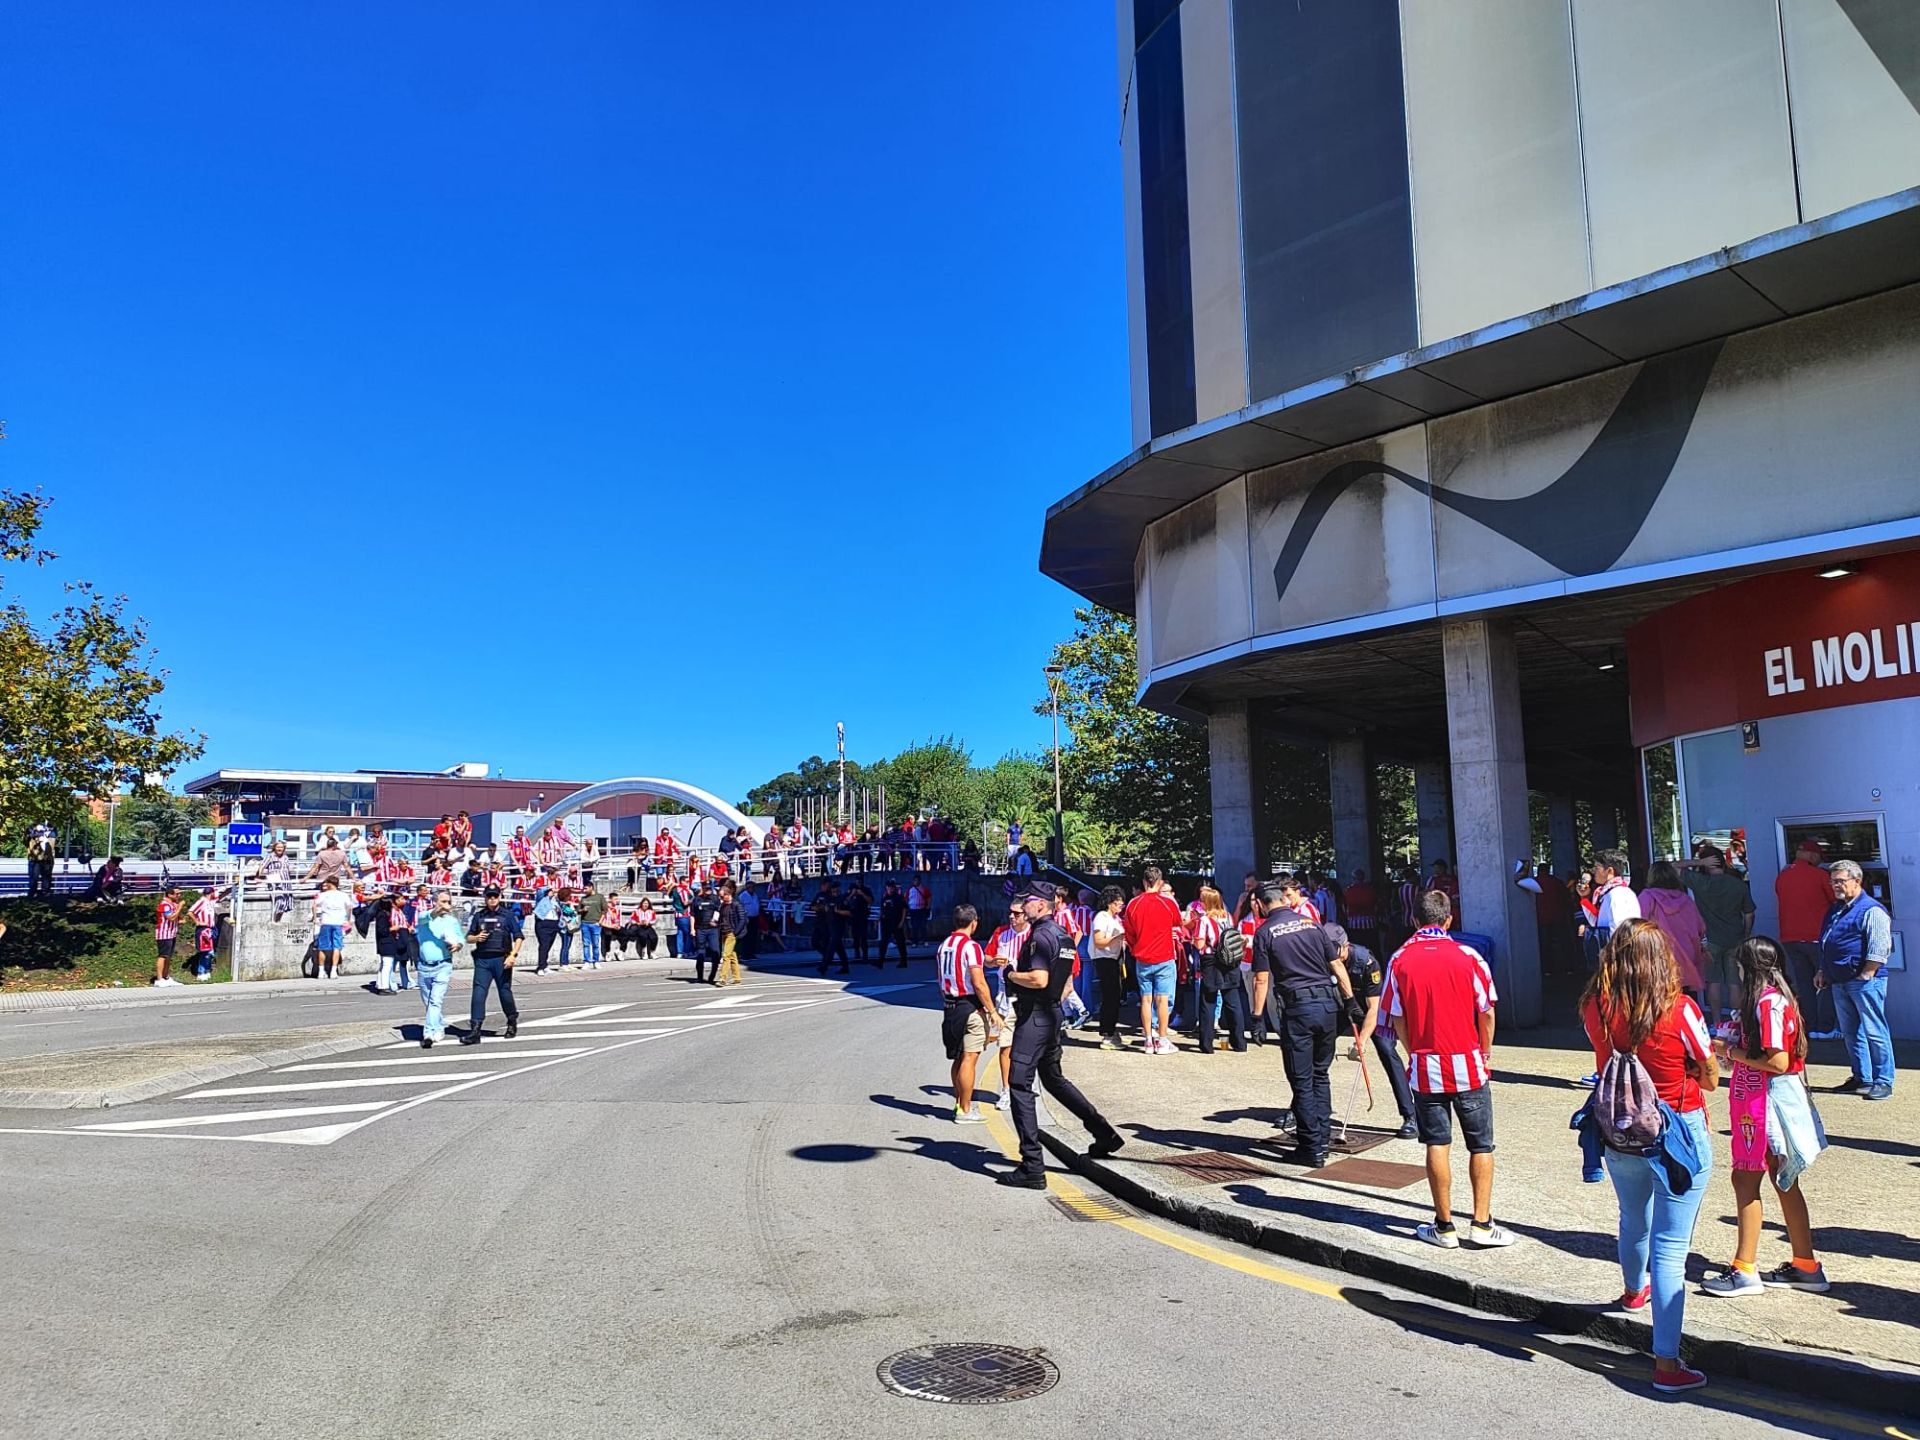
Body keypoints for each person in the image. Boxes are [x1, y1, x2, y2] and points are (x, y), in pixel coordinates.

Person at [1580, 918, 1716, 1394]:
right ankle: (1666, 1363)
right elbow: (1709, 1072)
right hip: (1677, 1125)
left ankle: (1633, 1292)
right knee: (1671, 1247)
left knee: (1631, 1216)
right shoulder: (1680, 1009)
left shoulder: (1594, 1005)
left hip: (1617, 1129)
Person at [1700, 936, 1830, 1298]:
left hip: (1766, 1100)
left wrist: (1732, 1051)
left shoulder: (1767, 1003)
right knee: (1781, 1179)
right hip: (1768, 1096)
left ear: (1747, 968)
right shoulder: (1778, 998)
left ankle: (1745, 1268)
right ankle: (1805, 1264)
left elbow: (1777, 1061)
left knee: (1747, 1178)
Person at [1384, 893, 1510, 1240]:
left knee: (1437, 1143)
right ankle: (1482, 1224)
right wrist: (1485, 1052)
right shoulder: (1469, 956)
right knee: (1481, 1145)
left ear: (1414, 921)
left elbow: (1397, 1018)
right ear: (1449, 920)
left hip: (1427, 1067)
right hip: (1468, 1063)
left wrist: (1414, 1052)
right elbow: (1486, 1011)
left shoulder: (1400, 960)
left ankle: (1444, 1226)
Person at [997, 882, 1125, 1189]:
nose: (1023, 905)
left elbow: (1039, 978)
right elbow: (1067, 982)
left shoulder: (1039, 936)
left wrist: (1010, 975)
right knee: (1054, 1079)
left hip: (1036, 1016)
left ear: (1041, 905)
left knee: (1018, 1084)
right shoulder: (1064, 936)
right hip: (1053, 1014)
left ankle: (1032, 1165)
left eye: (1028, 901)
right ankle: (1104, 1134)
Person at [1252, 880, 1354, 1167]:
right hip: (1327, 1006)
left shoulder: (1265, 932)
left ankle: (1311, 1147)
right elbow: (1336, 965)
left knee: (1302, 1079)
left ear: (1260, 904)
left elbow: (1261, 979)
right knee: (1320, 1074)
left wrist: (1257, 1017)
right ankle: (1322, 1137)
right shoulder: (1311, 924)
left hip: (1299, 1010)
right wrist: (1351, 1001)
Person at [1329, 922, 1415, 1139]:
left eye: (1334, 948)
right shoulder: (1325, 958)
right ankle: (1299, 1110)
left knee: (1387, 1052)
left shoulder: (1367, 962)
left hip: (1369, 1010)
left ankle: (1410, 1116)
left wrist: (1362, 1041)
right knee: (1316, 1052)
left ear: (1345, 945)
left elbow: (1374, 1008)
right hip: (1341, 1007)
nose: (1330, 954)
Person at [1818, 859, 1895, 1100]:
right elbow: (1827, 942)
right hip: (1840, 980)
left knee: (1874, 1031)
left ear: (1857, 881)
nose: (1835, 886)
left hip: (1864, 982)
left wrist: (1867, 973)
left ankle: (1883, 1080)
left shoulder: (1871, 909)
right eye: (1833, 882)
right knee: (1851, 1032)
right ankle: (1862, 1078)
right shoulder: (1836, 909)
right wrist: (1823, 970)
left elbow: (1880, 946)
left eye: (1840, 881)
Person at [1578, 849, 1642, 1086]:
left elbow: (1620, 932)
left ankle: (1610, 1070)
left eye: (1597, 867)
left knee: (1607, 1019)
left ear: (1610, 871)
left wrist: (1591, 933)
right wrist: (1585, 899)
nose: (1594, 872)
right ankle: (1608, 1068)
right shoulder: (1609, 894)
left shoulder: (1619, 895)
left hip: (1616, 967)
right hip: (1611, 965)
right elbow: (1600, 921)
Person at [938, 904, 1000, 1123]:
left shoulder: (945, 945)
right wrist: (992, 1011)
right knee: (970, 1058)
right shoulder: (971, 946)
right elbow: (979, 981)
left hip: (950, 1005)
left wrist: (990, 961)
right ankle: (965, 1109)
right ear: (974, 922)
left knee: (958, 1057)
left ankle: (959, 1102)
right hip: (969, 1005)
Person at [1775, 840, 1840, 1039]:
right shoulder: (1820, 875)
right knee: (1826, 980)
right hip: (1816, 937)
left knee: (1804, 984)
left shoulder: (1782, 876)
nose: (1820, 860)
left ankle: (1809, 1025)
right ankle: (1825, 1027)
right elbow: (1836, 900)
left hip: (1790, 938)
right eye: (1819, 856)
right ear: (1812, 855)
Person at [1683, 844, 1755, 1014]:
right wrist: (1746, 934)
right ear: (1723, 863)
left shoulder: (1700, 882)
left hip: (1711, 940)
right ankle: (1737, 1022)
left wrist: (1699, 862)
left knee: (1713, 982)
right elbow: (1749, 914)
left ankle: (1716, 1023)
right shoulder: (1738, 885)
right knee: (1735, 982)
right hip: (1735, 937)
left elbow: (1673, 867)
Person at [1123, 865, 1184, 1054]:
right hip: (1164, 956)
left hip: (1142, 957)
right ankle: (1163, 1039)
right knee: (1163, 1000)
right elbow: (1177, 922)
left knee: (1146, 1000)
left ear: (1144, 882)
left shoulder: (1133, 904)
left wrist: (1135, 948)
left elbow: (1129, 933)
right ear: (1160, 882)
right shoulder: (1168, 902)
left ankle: (1148, 1040)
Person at [1639, 861, 1709, 1002]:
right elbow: (1700, 927)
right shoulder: (1685, 899)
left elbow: (1638, 924)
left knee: (1663, 1000)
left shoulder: (1647, 897)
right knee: (1686, 998)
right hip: (1687, 955)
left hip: (1660, 955)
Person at [462, 885, 521, 1044]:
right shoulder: (479, 916)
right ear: (485, 897)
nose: (492, 899)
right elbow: (468, 937)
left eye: (495, 896)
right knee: (478, 993)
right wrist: (476, 938)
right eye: (489, 896)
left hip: (502, 959)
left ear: (500, 897)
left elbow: (518, 937)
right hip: (483, 959)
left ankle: (511, 1020)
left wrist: (513, 955)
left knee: (504, 993)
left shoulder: (507, 915)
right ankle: (475, 1030)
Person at [1197, 889, 1248, 1054]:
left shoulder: (1204, 919)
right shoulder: (1227, 917)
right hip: (1230, 960)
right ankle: (1239, 1042)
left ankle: (1206, 1044)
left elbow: (1199, 943)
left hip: (1211, 961)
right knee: (1233, 1001)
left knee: (1208, 1001)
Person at [414, 893, 464, 1048]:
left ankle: (428, 1033)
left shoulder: (452, 921)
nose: (446, 904)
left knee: (435, 1000)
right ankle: (439, 1025)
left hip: (443, 965)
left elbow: (460, 938)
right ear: (435, 902)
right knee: (428, 1002)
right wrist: (438, 910)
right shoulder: (424, 918)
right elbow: (425, 918)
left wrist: (457, 945)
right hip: (423, 966)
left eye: (448, 902)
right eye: (443, 901)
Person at [1089, 885, 1128, 1050]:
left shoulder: (1114, 919)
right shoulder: (1101, 917)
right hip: (1104, 959)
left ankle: (1111, 1031)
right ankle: (1107, 1033)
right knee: (1110, 997)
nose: (1121, 904)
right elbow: (1099, 941)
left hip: (1113, 959)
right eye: (1118, 901)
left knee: (1114, 996)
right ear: (1109, 902)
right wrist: (1118, 938)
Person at [311, 876, 352, 980]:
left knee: (323, 947)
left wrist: (315, 918)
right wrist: (348, 918)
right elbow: (350, 907)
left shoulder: (324, 894)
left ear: (329, 884)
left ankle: (321, 971)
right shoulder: (343, 895)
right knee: (337, 947)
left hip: (326, 922)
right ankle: (333, 971)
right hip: (338, 922)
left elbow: (314, 905)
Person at [152, 884, 184, 986]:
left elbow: (176, 918)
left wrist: (180, 919)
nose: (179, 895)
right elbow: (170, 917)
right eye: (177, 893)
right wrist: (180, 907)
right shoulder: (164, 905)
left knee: (168, 956)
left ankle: (166, 976)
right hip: (164, 934)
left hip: (172, 933)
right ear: (170, 894)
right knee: (163, 956)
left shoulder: (173, 904)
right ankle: (159, 979)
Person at [187, 887, 221, 980]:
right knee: (205, 952)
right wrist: (197, 921)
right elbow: (190, 912)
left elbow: (221, 896)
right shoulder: (202, 902)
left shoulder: (210, 902)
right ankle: (201, 972)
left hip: (211, 929)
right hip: (204, 929)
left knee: (210, 951)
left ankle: (206, 970)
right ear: (211, 893)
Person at [717, 882, 746, 987]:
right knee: (732, 955)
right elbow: (720, 917)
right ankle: (737, 977)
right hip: (724, 932)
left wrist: (735, 932)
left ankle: (722, 978)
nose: (720, 898)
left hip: (731, 933)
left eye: (721, 896)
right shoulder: (723, 905)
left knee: (725, 955)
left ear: (728, 895)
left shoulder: (736, 904)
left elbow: (742, 919)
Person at [531, 882, 561, 974]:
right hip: (543, 923)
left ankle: (545, 965)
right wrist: (548, 888)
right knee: (544, 945)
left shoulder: (555, 901)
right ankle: (540, 967)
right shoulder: (542, 898)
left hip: (554, 922)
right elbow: (540, 891)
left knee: (548, 945)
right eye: (550, 891)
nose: (553, 892)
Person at [878, 881, 910, 967]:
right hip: (886, 923)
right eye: (889, 887)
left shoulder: (898, 897)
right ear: (886, 887)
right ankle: (880, 961)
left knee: (900, 942)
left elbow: (904, 909)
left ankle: (904, 961)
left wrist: (902, 922)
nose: (890, 889)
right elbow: (882, 909)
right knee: (883, 942)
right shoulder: (885, 897)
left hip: (896, 922)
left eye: (892, 887)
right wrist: (880, 918)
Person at [1426, 859, 1460, 930]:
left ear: (1443, 868)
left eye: (1437, 868)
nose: (1435, 870)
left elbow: (1427, 894)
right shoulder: (1454, 879)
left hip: (1441, 910)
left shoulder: (1433, 879)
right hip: (1453, 910)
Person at [578, 881, 606, 970]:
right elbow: (578, 910)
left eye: (586, 888)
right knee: (586, 943)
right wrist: (583, 910)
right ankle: (587, 961)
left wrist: (600, 922)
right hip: (585, 923)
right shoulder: (583, 899)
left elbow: (604, 910)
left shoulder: (600, 897)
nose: (584, 890)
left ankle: (596, 961)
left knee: (596, 944)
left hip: (595, 923)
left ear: (591, 887)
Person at [845, 878, 873, 964]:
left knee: (863, 937)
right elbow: (845, 901)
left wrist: (862, 894)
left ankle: (865, 956)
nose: (859, 883)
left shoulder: (866, 890)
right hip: (853, 916)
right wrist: (852, 894)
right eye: (857, 881)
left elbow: (871, 900)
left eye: (860, 881)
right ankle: (857, 954)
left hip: (863, 916)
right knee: (855, 936)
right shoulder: (851, 889)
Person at [25, 825, 56, 897]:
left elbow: (49, 850)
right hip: (36, 860)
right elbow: (27, 843)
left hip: (47, 860)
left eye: (41, 831)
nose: (38, 833)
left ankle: (45, 892)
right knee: (34, 877)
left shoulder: (51, 837)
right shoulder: (32, 838)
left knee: (46, 878)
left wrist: (44, 841)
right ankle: (33, 893)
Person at [906, 878, 931, 945]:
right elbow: (906, 898)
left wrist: (928, 908)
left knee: (923, 925)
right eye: (914, 880)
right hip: (913, 910)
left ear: (920, 881)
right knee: (914, 926)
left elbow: (929, 898)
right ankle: (915, 941)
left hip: (922, 909)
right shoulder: (910, 890)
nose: (916, 882)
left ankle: (924, 940)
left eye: (917, 880)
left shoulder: (924, 889)